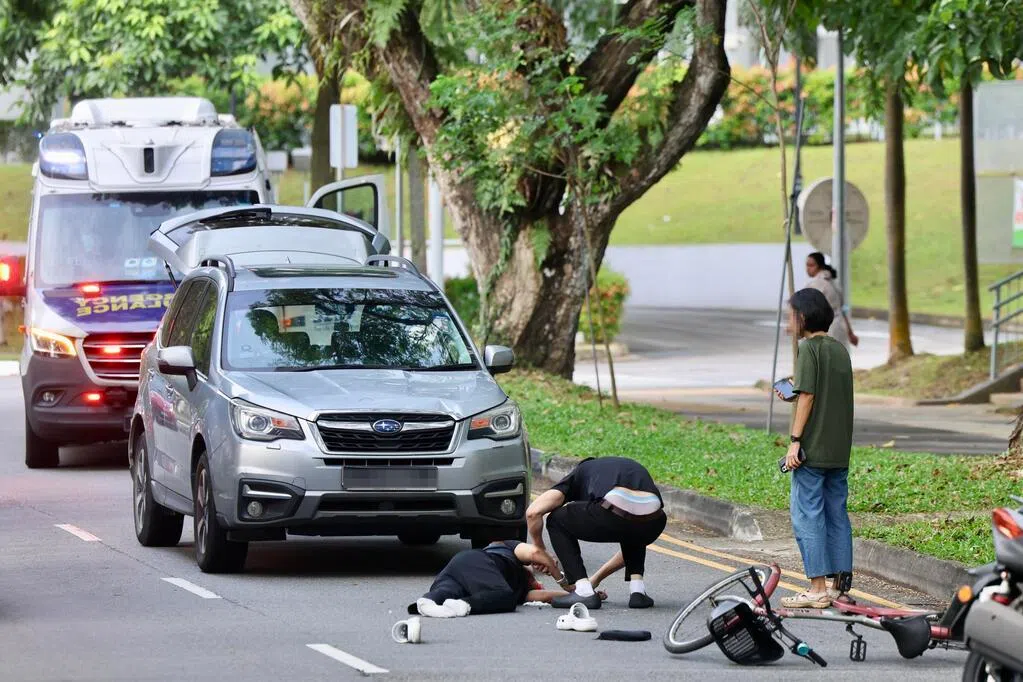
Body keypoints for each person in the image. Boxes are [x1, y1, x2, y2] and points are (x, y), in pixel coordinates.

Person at [776, 288, 855, 608]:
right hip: (838, 450)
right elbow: (819, 392)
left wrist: (795, 441)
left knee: (807, 515)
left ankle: (817, 589)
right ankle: (839, 585)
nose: (788, 320)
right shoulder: (839, 350)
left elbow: (808, 395)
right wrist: (794, 391)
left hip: (813, 450)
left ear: (803, 317)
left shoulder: (807, 349)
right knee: (836, 513)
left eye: (791, 314)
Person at [526, 456, 667, 610]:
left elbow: (533, 513)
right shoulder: (624, 468)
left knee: (557, 519)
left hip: (614, 514)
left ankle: (583, 592)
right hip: (654, 522)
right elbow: (633, 517)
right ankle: (638, 592)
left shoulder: (580, 473)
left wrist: (540, 551)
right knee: (633, 525)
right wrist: (596, 579)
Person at [408, 540, 575, 617]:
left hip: (457, 573)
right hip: (476, 561)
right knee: (505, 597)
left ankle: (427, 602)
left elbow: (547, 596)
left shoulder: (522, 589)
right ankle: (461, 606)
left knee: (448, 591)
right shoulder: (507, 549)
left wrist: (583, 594)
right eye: (550, 561)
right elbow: (534, 553)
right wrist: (557, 574)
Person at [804, 252, 859, 350]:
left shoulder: (816, 284)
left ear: (819, 266)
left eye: (811, 265)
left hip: (826, 330)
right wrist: (850, 333)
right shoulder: (834, 283)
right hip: (840, 328)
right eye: (807, 265)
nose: (807, 268)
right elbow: (842, 310)